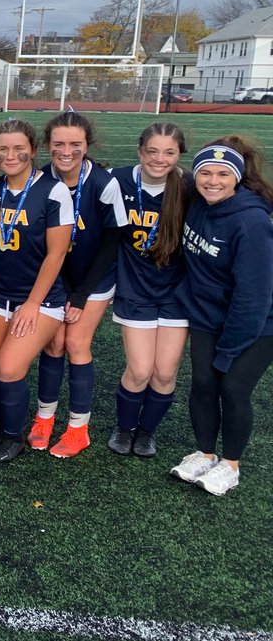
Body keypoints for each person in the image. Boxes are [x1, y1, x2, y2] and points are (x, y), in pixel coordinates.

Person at [169, 138, 273, 496]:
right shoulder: (197, 202)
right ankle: (205, 452)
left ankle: (230, 465)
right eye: (206, 173)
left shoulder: (252, 222)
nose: (213, 181)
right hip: (208, 315)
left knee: (232, 387)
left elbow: (253, 296)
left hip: (257, 323)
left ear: (238, 178)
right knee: (202, 384)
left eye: (223, 174)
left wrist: (228, 350)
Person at [0, 119, 73, 464]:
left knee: (9, 369)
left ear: (33, 150)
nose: (10, 155)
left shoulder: (53, 191)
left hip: (40, 300)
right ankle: (6, 419)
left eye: (18, 148)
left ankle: (14, 436)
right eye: (3, 149)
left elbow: (56, 254)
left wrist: (32, 304)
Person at [28, 112, 126, 458]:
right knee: (53, 344)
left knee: (76, 342)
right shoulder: (38, 180)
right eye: (58, 143)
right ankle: (44, 418)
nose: (66, 151)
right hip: (55, 278)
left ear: (87, 145)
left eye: (75, 144)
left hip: (93, 279)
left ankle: (78, 428)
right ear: (47, 145)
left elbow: (113, 241)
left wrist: (81, 295)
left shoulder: (103, 182)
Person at [106, 123, 188, 458]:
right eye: (152, 151)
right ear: (140, 151)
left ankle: (147, 432)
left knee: (165, 372)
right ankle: (124, 429)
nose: (160, 159)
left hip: (178, 293)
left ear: (179, 154)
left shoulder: (191, 186)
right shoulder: (117, 179)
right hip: (135, 289)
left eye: (169, 152)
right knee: (140, 370)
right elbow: (68, 179)